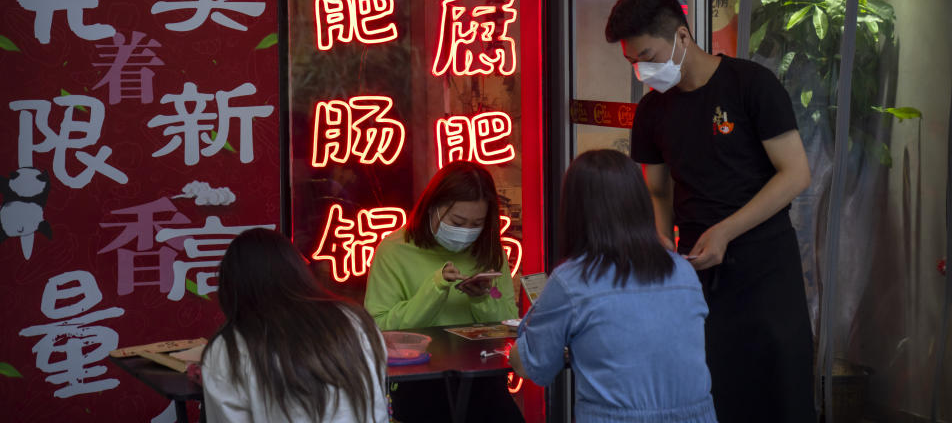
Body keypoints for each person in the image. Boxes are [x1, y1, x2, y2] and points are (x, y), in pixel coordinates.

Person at [604, 0, 816, 422]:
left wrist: (725, 230)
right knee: (713, 394)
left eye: (646, 57)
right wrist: (658, 234)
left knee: (779, 394)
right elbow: (657, 191)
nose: (642, 71)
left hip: (766, 268)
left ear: (682, 37)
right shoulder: (653, 112)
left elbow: (795, 174)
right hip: (699, 275)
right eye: (632, 62)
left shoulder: (750, 85)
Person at [510, 149, 717, 423]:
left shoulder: (571, 280)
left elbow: (531, 366)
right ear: (639, 203)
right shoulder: (681, 269)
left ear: (574, 210)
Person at [365, 160, 523, 423]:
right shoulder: (394, 250)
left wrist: (482, 298)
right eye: (457, 221)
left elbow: (509, 324)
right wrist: (435, 287)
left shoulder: (488, 250)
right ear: (432, 207)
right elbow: (380, 329)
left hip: (483, 381)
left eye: (477, 224)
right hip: (418, 383)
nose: (466, 232)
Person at [201, 228, 389, 423]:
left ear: (231, 288)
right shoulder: (356, 320)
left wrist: (217, 373)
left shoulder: (228, 349)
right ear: (299, 269)